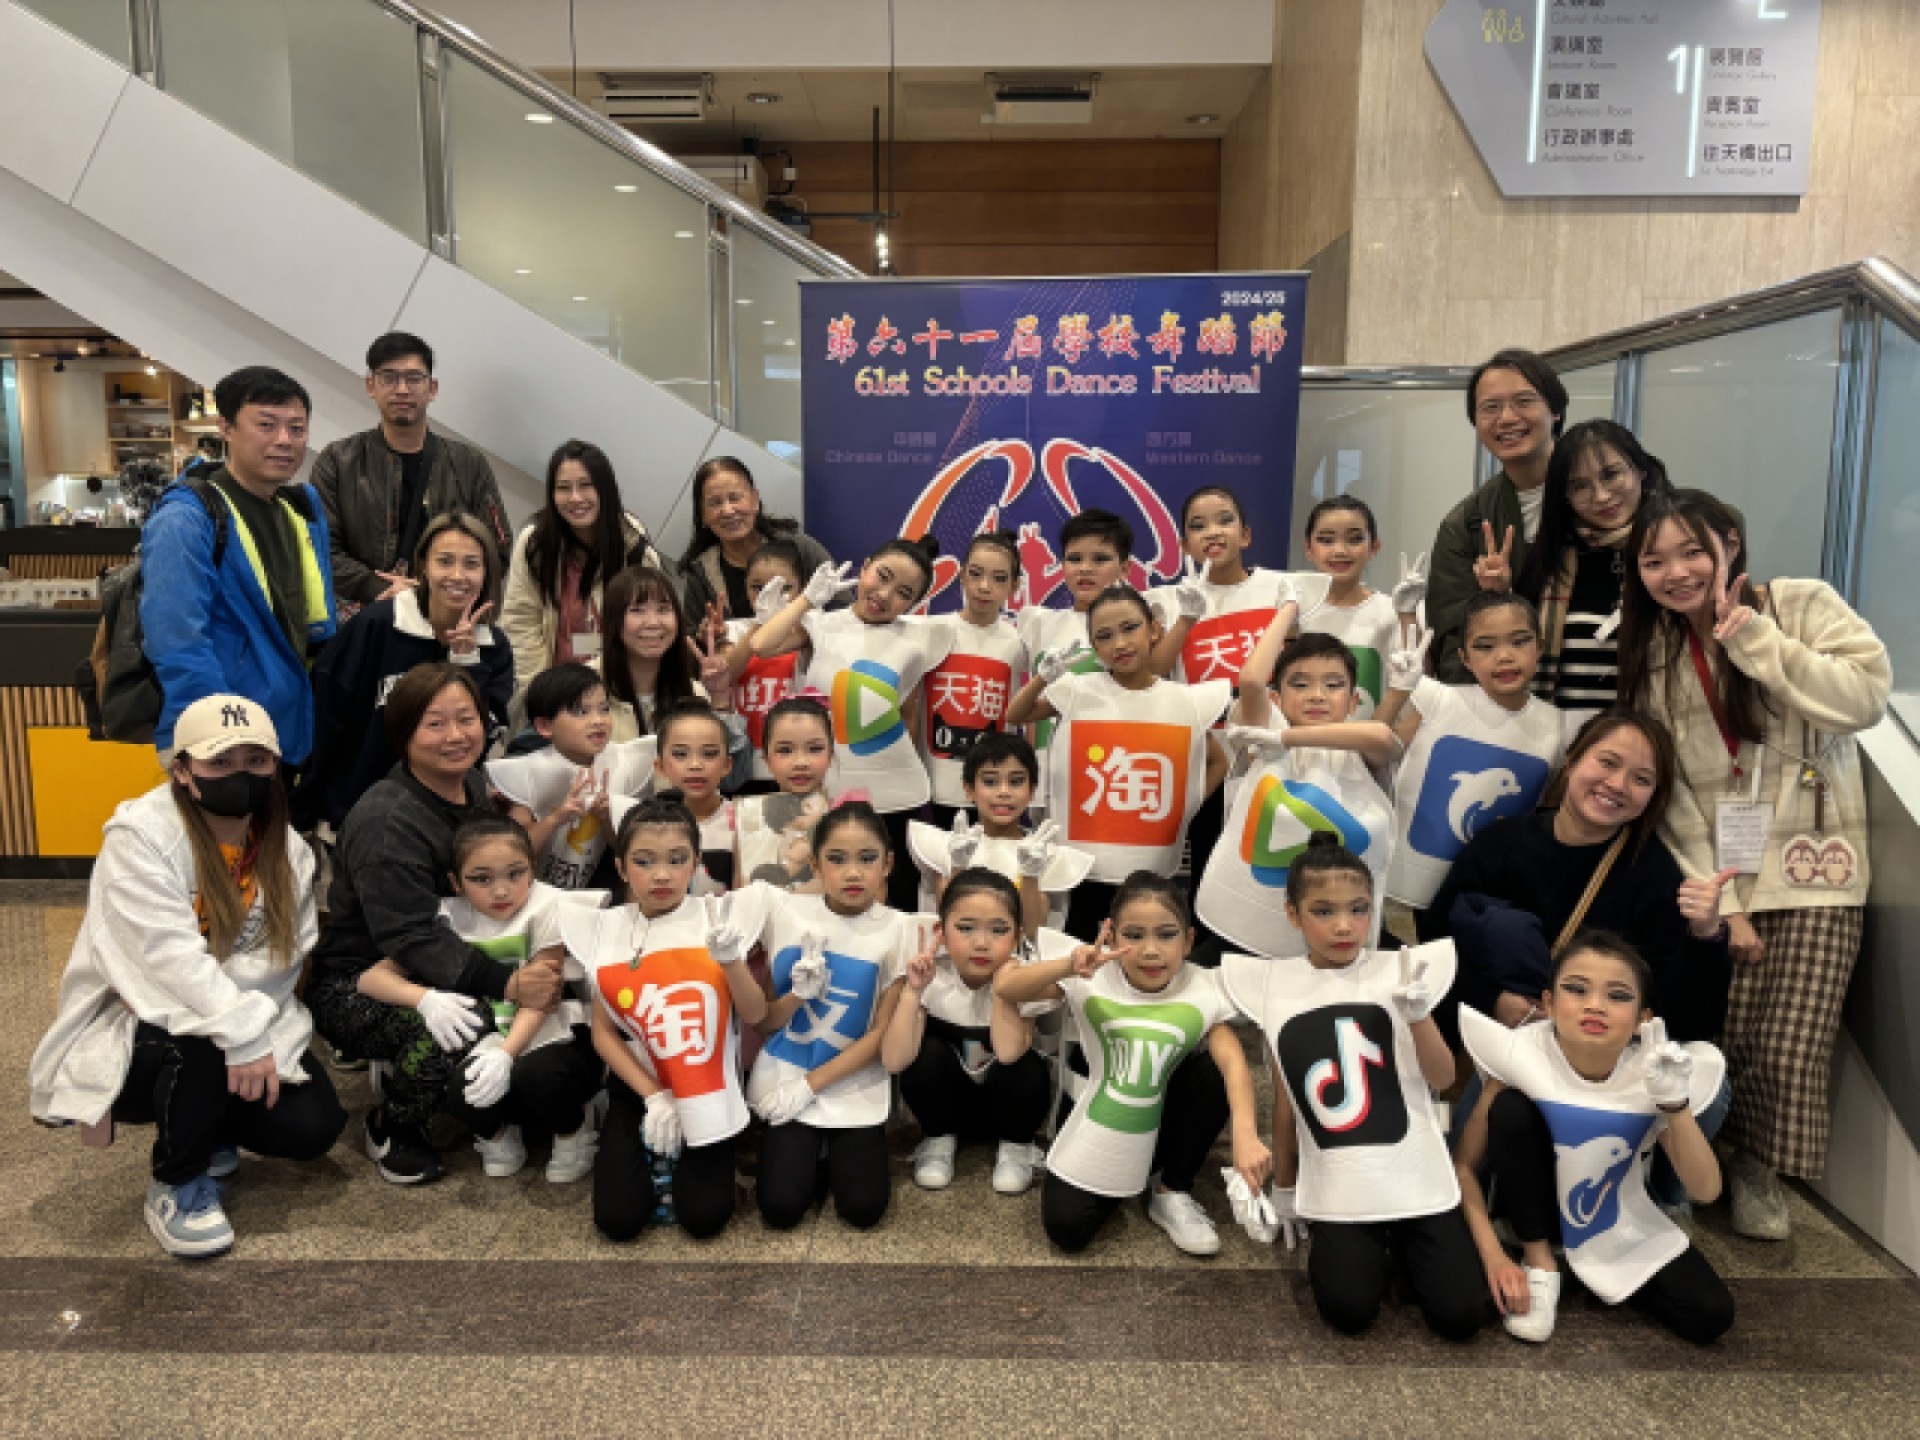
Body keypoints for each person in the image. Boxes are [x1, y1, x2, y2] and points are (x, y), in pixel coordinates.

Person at [1618, 489, 1889, 1239]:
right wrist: (1725, 903)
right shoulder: (1655, 654)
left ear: (1730, 545)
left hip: (1817, 867)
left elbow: (1865, 699)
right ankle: (1696, 1154)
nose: (1677, 572)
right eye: (1654, 561)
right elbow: (1668, 793)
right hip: (1719, 876)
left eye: (1692, 551)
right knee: (1722, 1031)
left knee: (1790, 1040)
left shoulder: (1801, 604)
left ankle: (1758, 1167)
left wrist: (1756, 642)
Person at [29, 695, 347, 1258]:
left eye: (256, 760)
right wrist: (235, 1027)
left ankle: (210, 1126)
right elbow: (163, 958)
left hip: (241, 1016)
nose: (240, 775)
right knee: (194, 1041)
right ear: (182, 770)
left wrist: (242, 1025)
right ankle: (177, 1183)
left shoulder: (286, 849)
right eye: (219, 762)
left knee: (311, 1126)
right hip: (140, 1025)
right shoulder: (142, 837)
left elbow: (285, 959)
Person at [305, 664, 569, 1185]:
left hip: (465, 945)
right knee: (467, 1025)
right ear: (403, 733)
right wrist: (507, 983)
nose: (455, 736)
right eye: (435, 723)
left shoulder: (470, 782)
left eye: (466, 719)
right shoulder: (386, 820)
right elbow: (413, 937)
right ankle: (396, 1123)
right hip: (367, 977)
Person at [1221, 835, 1485, 1341]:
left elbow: (1443, 1079)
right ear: (1293, 914)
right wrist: (1285, 1188)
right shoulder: (1276, 985)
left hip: (1412, 1167)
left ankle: (1405, 1242)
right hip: (1340, 1176)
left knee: (1461, 1316)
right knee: (1348, 1311)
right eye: (1323, 911)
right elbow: (1287, 1101)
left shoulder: (1404, 971)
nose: (1343, 926)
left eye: (1358, 909)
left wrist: (1418, 1015)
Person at [1455, 934, 1734, 1345]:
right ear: (1549, 1003)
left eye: (1617, 995)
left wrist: (1676, 1106)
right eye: (1576, 989)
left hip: (1614, 1224)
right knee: (1512, 1108)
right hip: (1524, 1221)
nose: (1595, 1005)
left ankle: (1582, 1273)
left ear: (1642, 1018)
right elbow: (1464, 1166)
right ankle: (1541, 1264)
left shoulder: (1650, 1069)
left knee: (1711, 1314)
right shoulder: (1518, 1054)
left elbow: (1706, 1191)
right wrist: (1494, 1257)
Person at [1421, 708, 1734, 1050]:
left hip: (1597, 1061)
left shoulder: (1654, 876)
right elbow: (1434, 947)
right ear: (1571, 760)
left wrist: (1706, 935)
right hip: (1490, 1049)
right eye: (1608, 762)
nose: (1617, 785)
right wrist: (1493, 1000)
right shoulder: (1500, 843)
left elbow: (1690, 1022)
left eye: (1642, 779)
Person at [995, 873, 1267, 1258]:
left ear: (1188, 941)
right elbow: (1007, 989)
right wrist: (1069, 965)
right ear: (1111, 936)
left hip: (1162, 1118)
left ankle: (1171, 1188)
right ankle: (1124, 1177)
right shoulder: (1092, 975)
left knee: (1213, 1072)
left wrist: (1246, 1133)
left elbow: (1233, 1058)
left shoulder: (1202, 984)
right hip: (1103, 1119)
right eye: (1134, 935)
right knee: (1067, 1228)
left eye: (1166, 935)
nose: (1150, 951)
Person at [353, 815, 606, 1183]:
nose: (501, 891)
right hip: (483, 1035)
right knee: (459, 1084)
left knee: (541, 1077)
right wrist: (424, 998)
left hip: (549, 1028)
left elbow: (540, 997)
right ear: (456, 881)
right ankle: (497, 1133)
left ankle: (574, 1128)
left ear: (533, 868)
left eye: (515, 874)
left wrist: (506, 1053)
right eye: (481, 879)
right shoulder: (445, 917)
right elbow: (370, 979)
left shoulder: (549, 906)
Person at [567, 793, 770, 1242]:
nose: (662, 874)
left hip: (707, 1085)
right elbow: (603, 1034)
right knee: (618, 1221)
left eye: (677, 860)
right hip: (638, 1085)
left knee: (705, 1218)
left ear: (696, 862)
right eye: (644, 861)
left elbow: (756, 1014)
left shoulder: (719, 918)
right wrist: (654, 1096)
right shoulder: (606, 930)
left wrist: (732, 961)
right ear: (621, 868)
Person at [728, 801, 921, 1232]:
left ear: (888, 864)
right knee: (779, 1209)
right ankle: (809, 1153)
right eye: (837, 859)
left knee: (863, 1210)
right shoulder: (784, 913)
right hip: (786, 1074)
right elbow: (766, 1022)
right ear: (815, 865)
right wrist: (796, 996)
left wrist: (811, 1086)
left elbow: (880, 1034)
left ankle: (833, 1151)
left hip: (854, 1080)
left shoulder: (900, 929)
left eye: (867, 859)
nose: (853, 873)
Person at [1006, 584, 1231, 939]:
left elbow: (1218, 763)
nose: (1120, 643)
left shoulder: (1182, 700)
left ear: (1153, 629)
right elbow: (1016, 714)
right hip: (1086, 863)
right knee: (1081, 944)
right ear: (1094, 646)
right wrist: (1042, 679)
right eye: (1105, 636)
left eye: (1130, 628)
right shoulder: (1079, 690)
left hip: (1151, 863)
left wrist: (1183, 807)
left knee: (1144, 941)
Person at [142, 366, 337, 766]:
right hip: (225, 742)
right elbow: (177, 640)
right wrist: (221, 745)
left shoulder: (298, 510)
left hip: (290, 729)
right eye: (266, 425)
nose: (284, 440)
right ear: (226, 428)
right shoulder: (187, 518)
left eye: (297, 428)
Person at [751, 539, 953, 911]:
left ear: (914, 603)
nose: (885, 595)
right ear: (866, 566)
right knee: (828, 892)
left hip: (897, 789)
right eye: (883, 576)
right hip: (830, 788)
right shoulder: (821, 625)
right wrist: (807, 599)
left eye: (903, 593)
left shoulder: (919, 637)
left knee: (893, 901)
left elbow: (909, 713)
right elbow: (761, 645)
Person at [298, 512, 514, 832]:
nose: (457, 575)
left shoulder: (494, 647)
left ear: (487, 572)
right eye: (444, 561)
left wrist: (467, 663)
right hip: (352, 816)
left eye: (471, 564)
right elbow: (324, 718)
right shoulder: (376, 625)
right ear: (423, 566)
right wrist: (307, 812)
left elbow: (479, 742)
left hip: (442, 825)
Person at [1196, 629, 1398, 964]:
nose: (1317, 695)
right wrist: (1289, 609)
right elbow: (1251, 681)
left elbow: (1381, 736)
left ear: (1353, 702)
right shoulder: (1264, 738)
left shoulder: (1360, 753)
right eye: (1300, 684)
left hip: (1341, 925)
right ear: (1276, 699)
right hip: (1255, 922)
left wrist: (1288, 738)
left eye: (1333, 685)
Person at [1378, 591, 1578, 924]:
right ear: (1465, 658)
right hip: (1413, 884)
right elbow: (1378, 751)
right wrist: (1398, 690)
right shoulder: (1438, 699)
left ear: (1540, 646)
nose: (1504, 656)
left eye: (1519, 641)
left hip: (1497, 893)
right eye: (1485, 646)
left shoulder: (1560, 728)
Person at [1477, 420, 1675, 709]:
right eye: (1579, 486)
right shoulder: (1551, 560)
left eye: (1611, 475)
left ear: (1641, 470)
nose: (1601, 496)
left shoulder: (1676, 555)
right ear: (1565, 497)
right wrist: (1500, 595)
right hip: (1560, 731)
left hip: (1654, 730)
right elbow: (1513, 653)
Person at [882, 868, 1056, 1196]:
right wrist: (913, 992)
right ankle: (938, 1141)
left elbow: (1008, 1053)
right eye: (965, 928)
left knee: (1026, 1066)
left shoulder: (1024, 979)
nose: (981, 943)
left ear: (1016, 937)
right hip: (947, 1108)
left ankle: (1016, 1148)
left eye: (999, 930)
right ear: (942, 932)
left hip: (1007, 1109)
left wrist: (1004, 987)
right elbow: (894, 1061)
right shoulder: (933, 976)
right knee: (927, 1054)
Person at [310, 332, 509, 615]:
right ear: (371, 385)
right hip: (365, 617)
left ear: (432, 388)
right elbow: (320, 547)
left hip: (447, 619)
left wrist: (436, 590)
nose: (402, 389)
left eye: (414, 378)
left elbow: (497, 549)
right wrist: (377, 587)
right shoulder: (338, 461)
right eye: (389, 378)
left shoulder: (469, 464)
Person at [1426, 349, 1568, 682]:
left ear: (1556, 410)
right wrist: (1497, 599)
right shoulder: (1466, 523)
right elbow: (1453, 641)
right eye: (1490, 407)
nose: (1507, 418)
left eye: (1523, 401)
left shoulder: (1601, 502)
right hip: (1509, 702)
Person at [500, 440, 672, 691]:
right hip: (555, 688)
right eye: (563, 488)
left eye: (585, 485)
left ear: (605, 488)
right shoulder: (535, 542)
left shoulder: (632, 543)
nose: (575, 498)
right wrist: (538, 691)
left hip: (620, 686)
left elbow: (652, 622)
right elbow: (521, 620)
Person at [485, 663, 655, 891]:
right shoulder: (529, 770)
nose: (598, 720)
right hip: (532, 892)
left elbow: (630, 848)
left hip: (599, 888)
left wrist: (608, 817)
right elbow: (513, 852)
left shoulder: (623, 762)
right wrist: (555, 819)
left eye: (604, 709)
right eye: (581, 712)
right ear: (545, 726)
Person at [907, 731, 1091, 934]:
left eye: (1016, 782)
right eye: (990, 781)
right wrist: (958, 867)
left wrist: (1030, 874)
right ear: (969, 789)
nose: (1004, 792)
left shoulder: (1044, 855)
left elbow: (1032, 933)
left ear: (1032, 791)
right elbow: (950, 924)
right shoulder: (943, 847)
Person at [1016, 509, 1132, 814]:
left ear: (1125, 568)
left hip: (1108, 774)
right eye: (1075, 559)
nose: (1085, 569)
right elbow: (1032, 712)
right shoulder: (1038, 622)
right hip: (1047, 778)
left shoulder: (1138, 626)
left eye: (1100, 559)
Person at [917, 531, 1027, 830]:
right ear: (962, 575)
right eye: (976, 574)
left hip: (992, 790)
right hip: (933, 785)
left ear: (1015, 586)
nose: (984, 586)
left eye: (999, 578)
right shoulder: (932, 630)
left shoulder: (1018, 643)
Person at [1295, 496, 1411, 719]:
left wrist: (1408, 616)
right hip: (1300, 738)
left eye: (1354, 539)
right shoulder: (1291, 613)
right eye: (1326, 540)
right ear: (1308, 548)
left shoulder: (1393, 612)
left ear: (1374, 547)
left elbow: (1414, 693)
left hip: (1374, 736)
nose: (1340, 550)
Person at [679, 455, 833, 621]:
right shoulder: (700, 573)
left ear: (755, 500)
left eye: (735, 498)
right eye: (715, 503)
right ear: (702, 514)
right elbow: (690, 633)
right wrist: (706, 633)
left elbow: (842, 608)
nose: (728, 510)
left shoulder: (798, 547)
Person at [734, 696, 835, 893]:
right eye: (785, 750)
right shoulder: (746, 822)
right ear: (767, 759)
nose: (801, 762)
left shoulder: (850, 819)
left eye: (815, 749)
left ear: (831, 755)